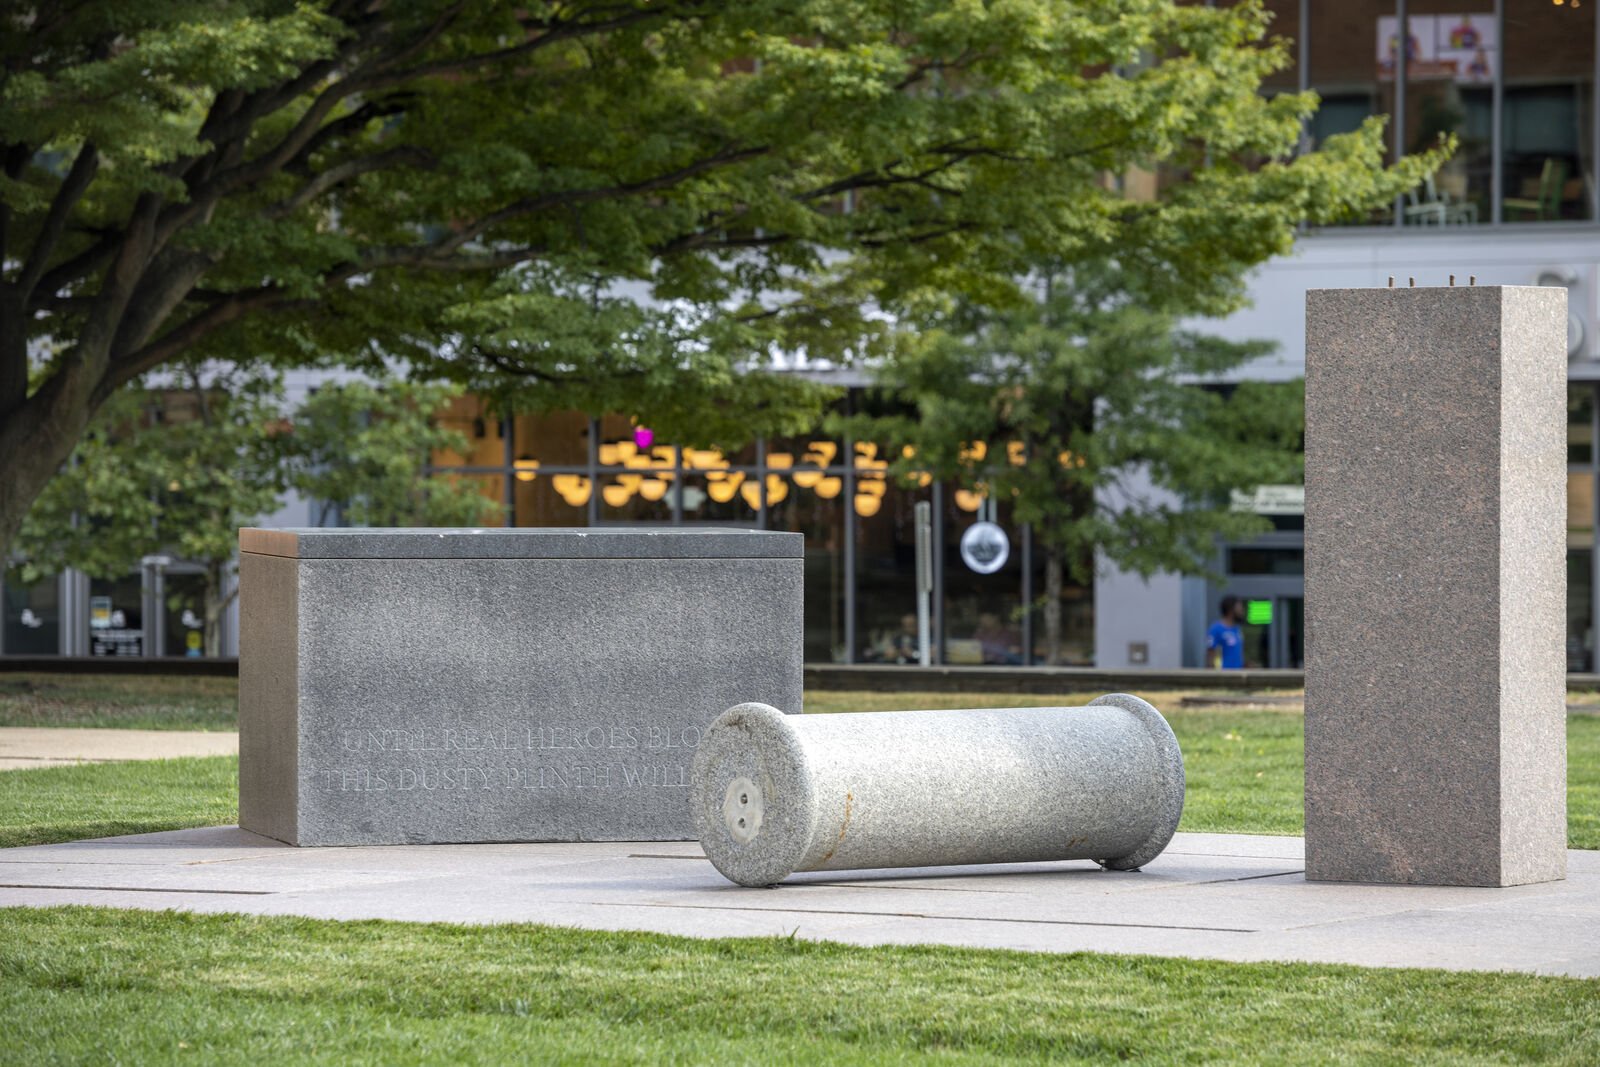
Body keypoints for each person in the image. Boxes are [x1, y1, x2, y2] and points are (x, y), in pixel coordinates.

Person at [1207, 596, 1246, 669]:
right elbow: (1211, 653)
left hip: (1238, 675)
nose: (1241, 611)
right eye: (1239, 608)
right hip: (1223, 675)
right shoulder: (1216, 629)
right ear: (1231, 609)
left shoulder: (1237, 629)